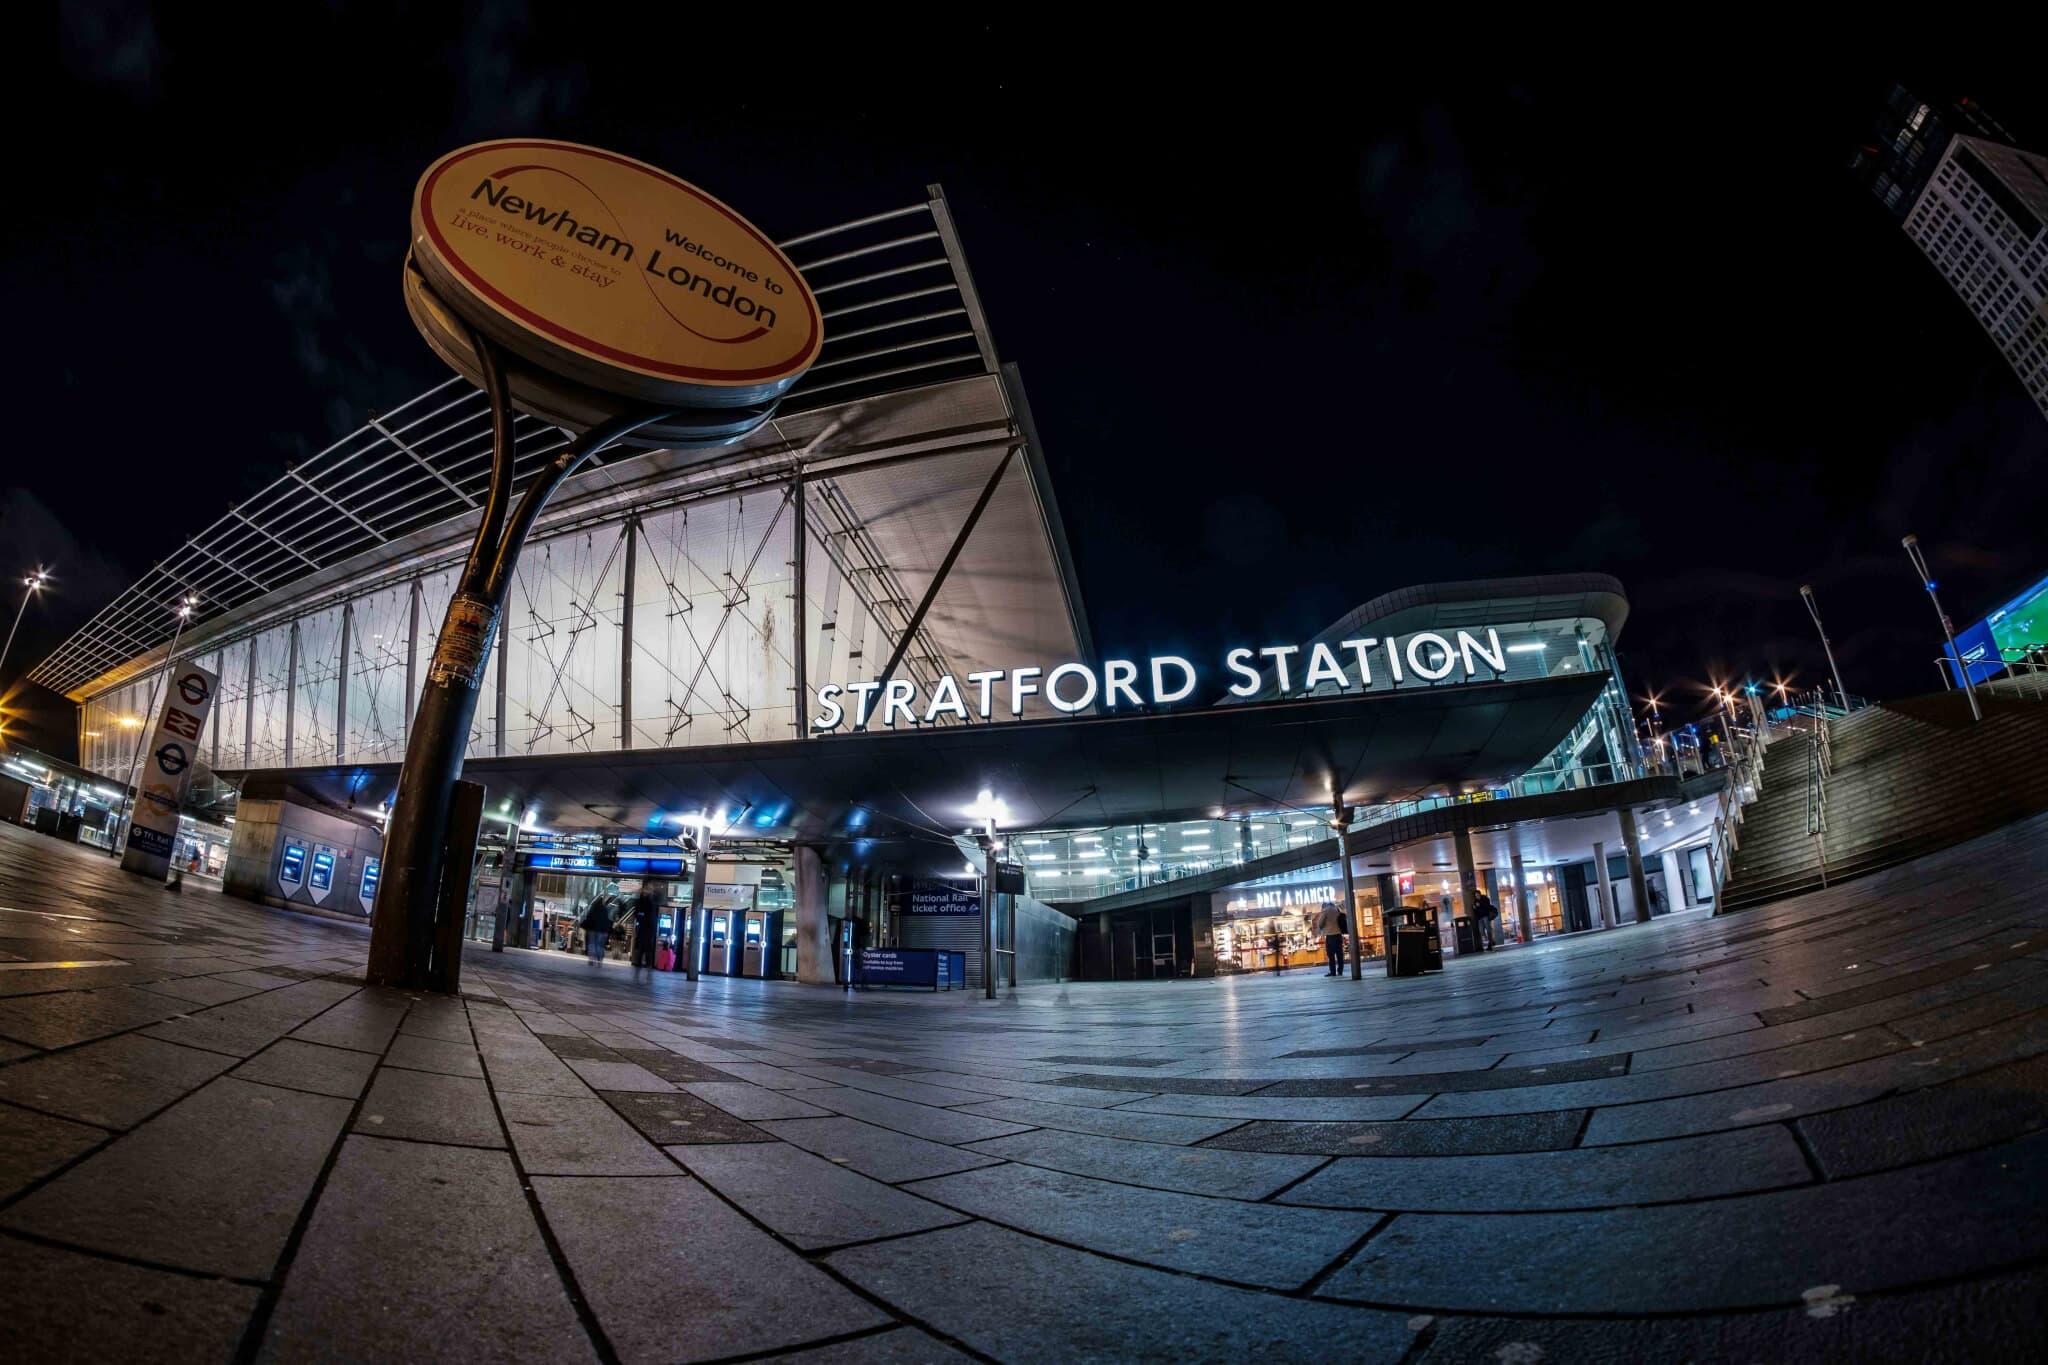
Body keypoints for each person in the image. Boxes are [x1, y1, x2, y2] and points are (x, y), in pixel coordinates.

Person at [580, 882, 619, 964]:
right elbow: (608, 921)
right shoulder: (605, 911)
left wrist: (586, 925)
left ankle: (591, 958)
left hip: (593, 930)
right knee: (600, 945)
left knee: (592, 944)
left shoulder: (593, 910)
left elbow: (588, 918)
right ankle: (599, 959)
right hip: (602, 931)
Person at [1311, 901, 1347, 977]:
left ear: (1324, 906)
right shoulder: (1336, 909)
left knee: (1331, 955)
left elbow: (1320, 923)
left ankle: (1332, 972)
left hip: (1330, 935)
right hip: (1338, 934)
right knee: (1339, 954)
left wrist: (1322, 927)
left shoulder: (1325, 911)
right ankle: (1340, 971)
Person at [629, 885, 658, 969]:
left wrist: (640, 915)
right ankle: (647, 963)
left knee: (643, 946)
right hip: (648, 927)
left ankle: (641, 962)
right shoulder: (650, 902)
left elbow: (639, 913)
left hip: (645, 927)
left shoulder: (645, 902)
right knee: (646, 947)